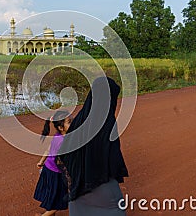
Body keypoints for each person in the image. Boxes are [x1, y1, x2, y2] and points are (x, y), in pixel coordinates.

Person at [58, 77, 129, 216]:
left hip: (78, 190)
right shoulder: (107, 123)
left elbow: (64, 154)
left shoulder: (79, 119)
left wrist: (76, 178)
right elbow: (113, 160)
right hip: (102, 187)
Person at [34, 110, 72, 216]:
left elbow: (49, 148)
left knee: (52, 195)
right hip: (56, 174)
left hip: (48, 169)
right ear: (61, 128)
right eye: (69, 122)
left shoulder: (57, 136)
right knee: (60, 201)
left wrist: (41, 161)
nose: (73, 123)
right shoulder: (65, 142)